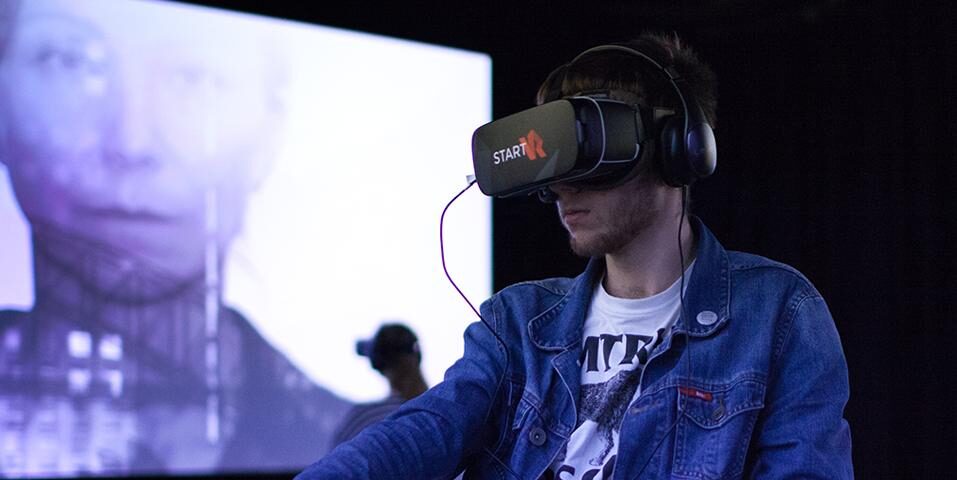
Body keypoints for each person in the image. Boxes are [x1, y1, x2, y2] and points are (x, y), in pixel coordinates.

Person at [297, 32, 853, 479]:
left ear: (677, 151)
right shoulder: (515, 323)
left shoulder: (778, 315)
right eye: (555, 167)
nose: (564, 189)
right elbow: (427, 428)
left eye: (588, 159)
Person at [0, 0, 348, 476]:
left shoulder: (351, 441)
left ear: (268, 137)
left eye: (196, 79)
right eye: (67, 61)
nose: (131, 142)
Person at [332, 323, 429, 444]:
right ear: (417, 356)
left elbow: (334, 460)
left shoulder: (364, 418)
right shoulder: (440, 415)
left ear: (379, 365)